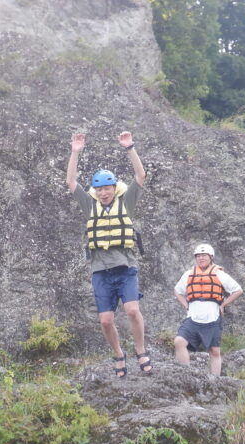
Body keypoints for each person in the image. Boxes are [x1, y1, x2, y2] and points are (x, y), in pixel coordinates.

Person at [66, 131, 152, 377]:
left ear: (114, 188)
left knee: (133, 310)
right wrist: (75, 152)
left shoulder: (126, 202)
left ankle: (140, 350)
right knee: (105, 321)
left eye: (108, 188)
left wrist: (130, 148)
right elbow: (71, 182)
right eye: (99, 189)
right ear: (95, 191)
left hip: (125, 267)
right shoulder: (89, 205)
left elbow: (140, 175)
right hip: (100, 271)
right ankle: (118, 354)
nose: (104, 192)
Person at [174, 244, 243, 376]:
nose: (201, 258)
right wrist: (186, 305)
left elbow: (238, 290)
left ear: (211, 257)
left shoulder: (219, 274)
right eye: (198, 256)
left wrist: (223, 305)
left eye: (204, 255)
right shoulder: (188, 274)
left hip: (212, 317)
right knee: (179, 342)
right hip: (193, 317)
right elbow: (177, 291)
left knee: (214, 351)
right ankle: (186, 375)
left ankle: (215, 380)